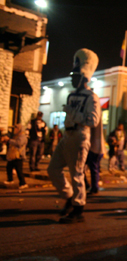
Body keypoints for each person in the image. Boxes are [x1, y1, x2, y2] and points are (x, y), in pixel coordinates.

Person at [47, 48, 101, 224]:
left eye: (75, 76)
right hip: (67, 135)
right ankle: (69, 196)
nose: (71, 79)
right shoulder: (71, 95)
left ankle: (78, 208)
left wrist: (73, 114)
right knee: (53, 169)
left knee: (77, 173)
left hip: (80, 136)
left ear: (83, 77)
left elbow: (93, 121)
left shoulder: (92, 97)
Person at [3, 124, 28, 189]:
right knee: (9, 167)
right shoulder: (16, 136)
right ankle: (10, 180)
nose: (15, 130)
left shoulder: (22, 136)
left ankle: (23, 183)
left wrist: (9, 140)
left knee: (19, 170)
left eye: (16, 128)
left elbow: (18, 143)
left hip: (18, 156)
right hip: (13, 156)